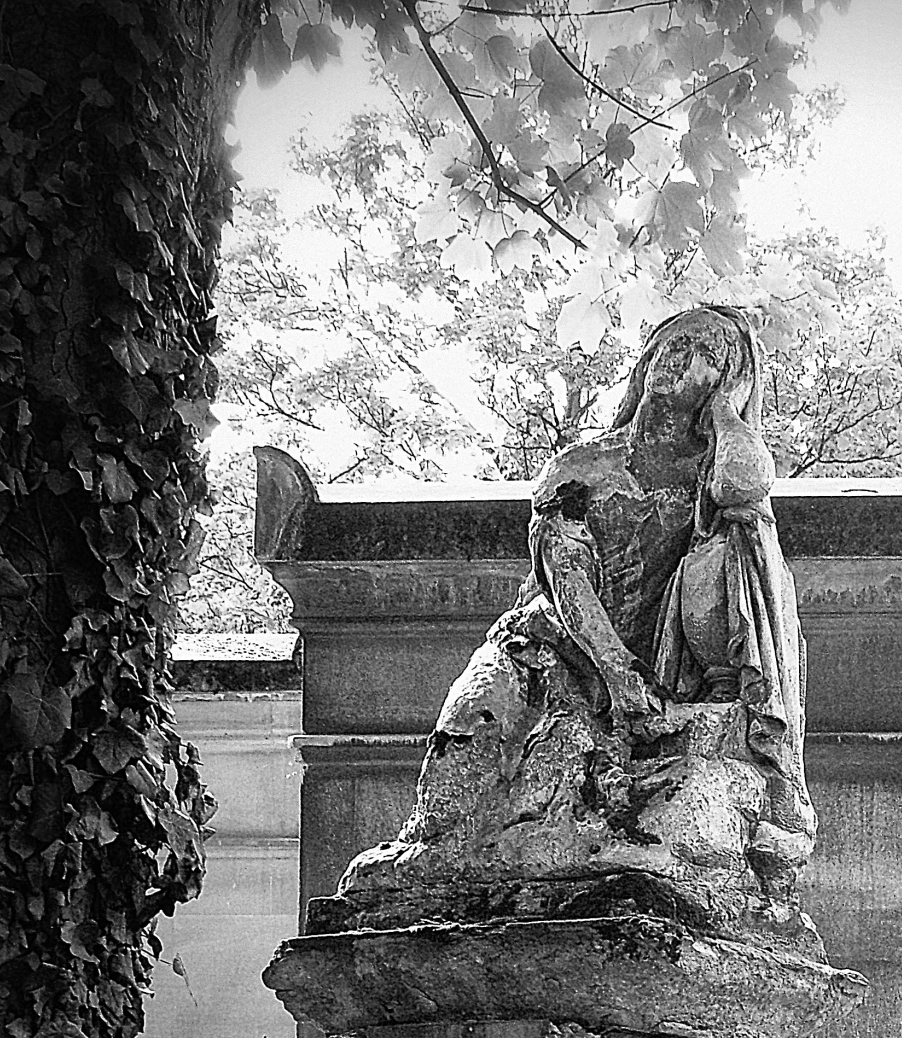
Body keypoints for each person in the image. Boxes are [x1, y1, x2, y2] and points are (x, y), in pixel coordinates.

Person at [338, 305, 819, 945]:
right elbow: (564, 575)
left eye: (703, 350)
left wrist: (730, 415)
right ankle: (430, 842)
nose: (678, 355)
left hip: (663, 674)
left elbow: (745, 487)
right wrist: (617, 675)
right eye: (669, 342)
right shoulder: (584, 466)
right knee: (476, 716)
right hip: (557, 647)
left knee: (750, 540)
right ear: (643, 363)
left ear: (724, 379)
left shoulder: (712, 477)